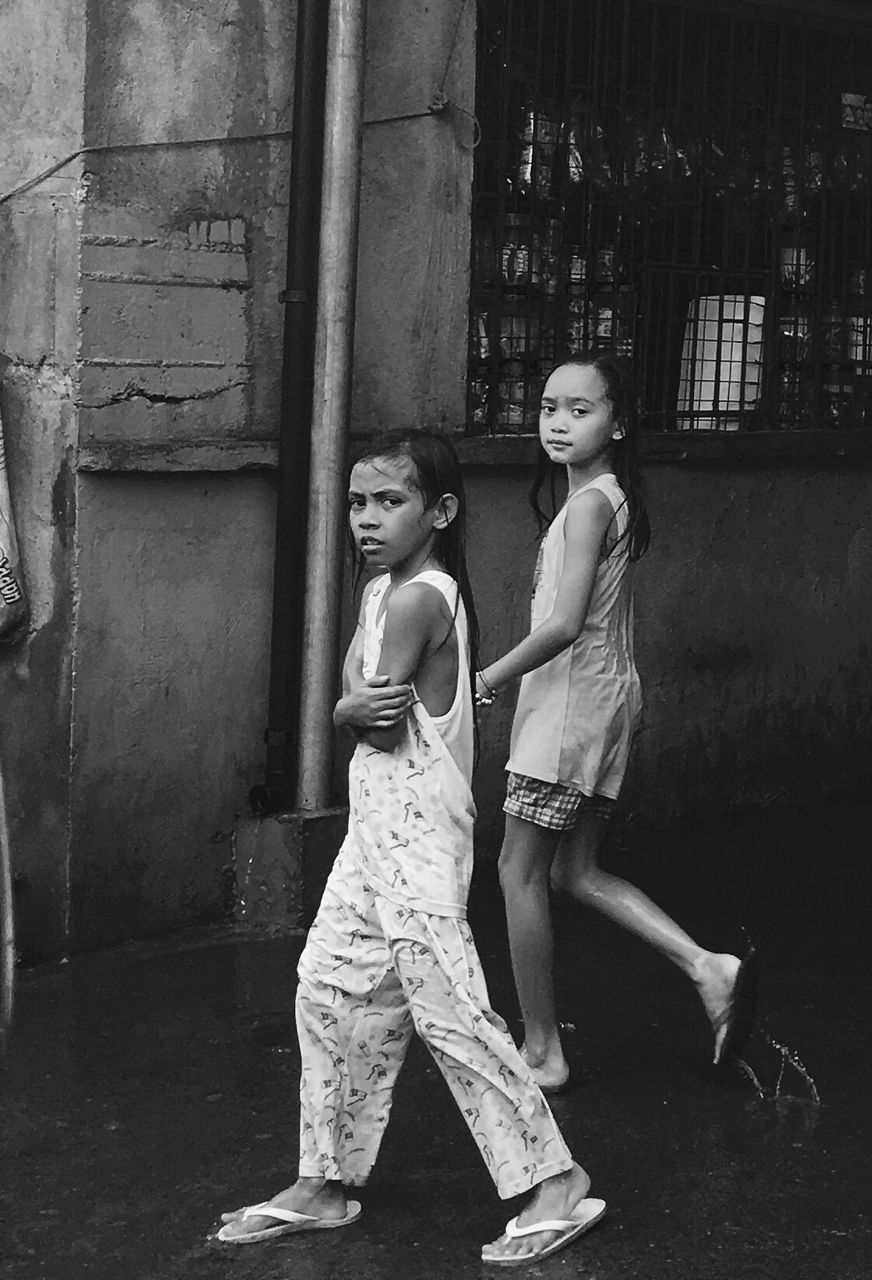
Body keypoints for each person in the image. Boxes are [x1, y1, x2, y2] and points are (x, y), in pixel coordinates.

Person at [217, 429, 606, 1265]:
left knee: (452, 1011)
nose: (366, 518)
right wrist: (349, 702)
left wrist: (339, 709)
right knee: (328, 988)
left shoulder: (417, 598)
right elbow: (359, 696)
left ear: (440, 511)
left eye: (389, 502)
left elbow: (371, 716)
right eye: (357, 501)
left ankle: (554, 1182)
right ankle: (324, 1179)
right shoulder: (383, 589)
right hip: (374, 833)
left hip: (419, 833)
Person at [475, 353, 758, 1095]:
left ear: (619, 423)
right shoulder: (608, 498)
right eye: (548, 408)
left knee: (518, 869)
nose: (559, 423)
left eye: (580, 409)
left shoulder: (593, 503)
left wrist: (487, 679)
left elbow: (566, 623)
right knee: (574, 871)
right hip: (598, 708)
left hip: (568, 715)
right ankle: (707, 967)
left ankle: (542, 1049)